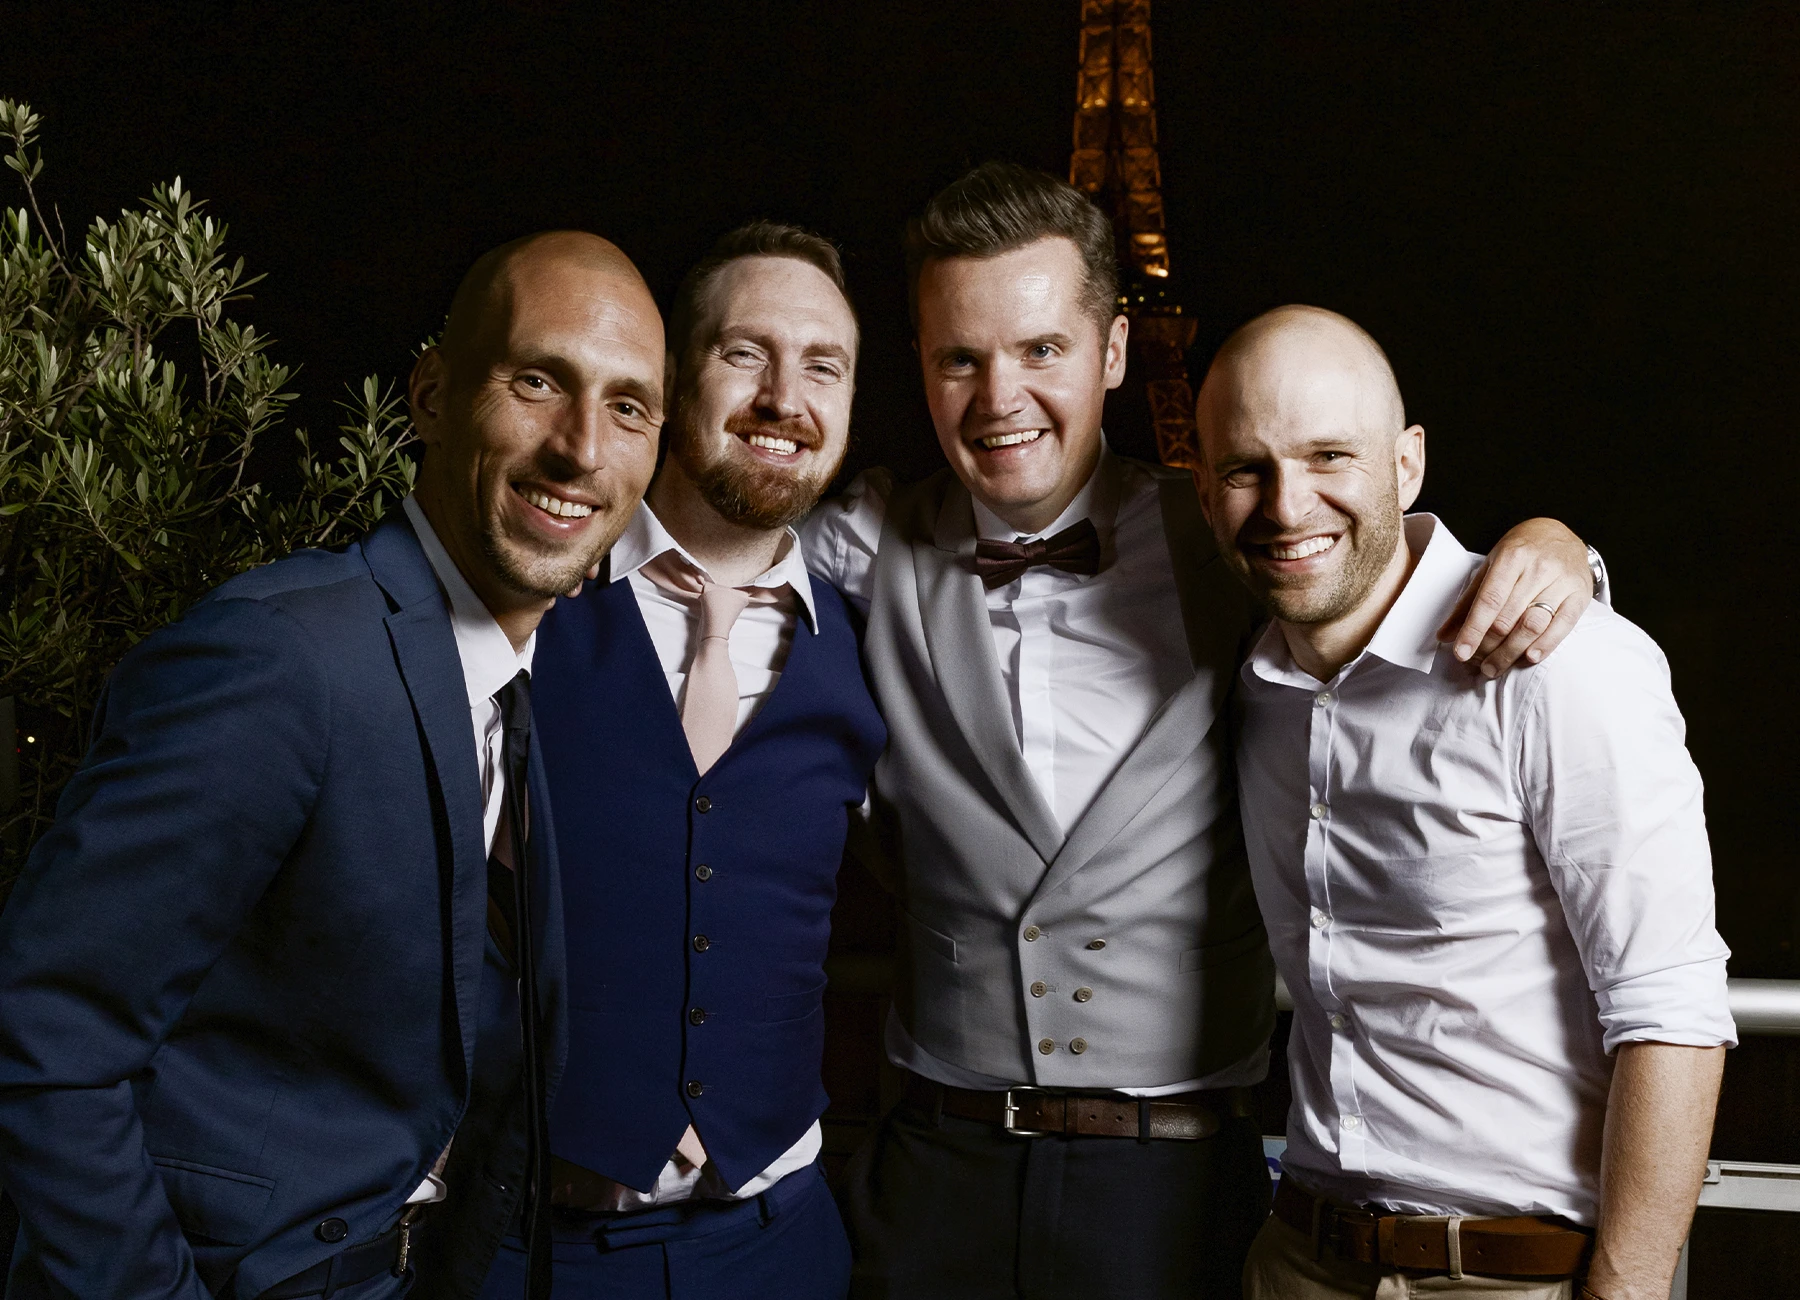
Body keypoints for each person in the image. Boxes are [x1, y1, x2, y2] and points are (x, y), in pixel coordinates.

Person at [802, 163, 1604, 1300]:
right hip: (933, 1167)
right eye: (959, 359)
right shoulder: (868, 541)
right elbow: (704, 545)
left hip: (1174, 1186)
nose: (999, 397)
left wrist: (1561, 552)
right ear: (921, 370)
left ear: (1115, 354)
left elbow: (1405, 596)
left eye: (1041, 351)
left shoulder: (1237, 532)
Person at [0, 231, 667, 1300]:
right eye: (538, 381)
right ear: (432, 396)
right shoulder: (282, 658)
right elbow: (42, 1036)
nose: (583, 447)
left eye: (628, 406)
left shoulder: (516, 685)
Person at [1192, 305, 1733, 1300]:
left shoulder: (1558, 660)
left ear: (1408, 464)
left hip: (1511, 1277)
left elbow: (1671, 1006)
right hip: (1297, 1258)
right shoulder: (1251, 688)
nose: (1286, 503)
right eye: (1245, 468)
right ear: (1204, 485)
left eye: (1328, 456)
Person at [477, 222, 885, 1300]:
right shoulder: (524, 601)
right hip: (534, 1247)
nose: (783, 396)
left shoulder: (872, 642)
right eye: (745, 354)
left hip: (780, 1244)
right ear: (671, 381)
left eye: (823, 366)